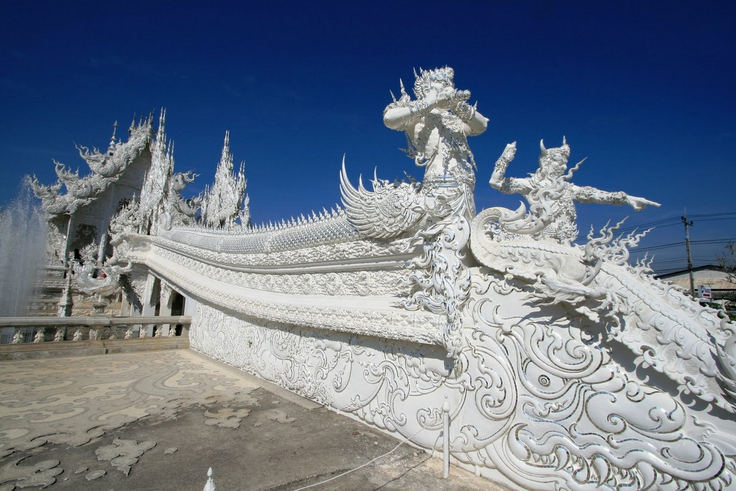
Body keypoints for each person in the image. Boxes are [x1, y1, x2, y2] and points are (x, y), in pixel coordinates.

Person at [490, 138, 660, 243]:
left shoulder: (567, 188)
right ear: (546, 162)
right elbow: (496, 183)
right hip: (540, 240)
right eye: (559, 162)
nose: (564, 167)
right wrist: (505, 158)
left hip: (564, 240)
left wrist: (627, 198)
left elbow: (595, 194)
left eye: (565, 163)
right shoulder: (533, 184)